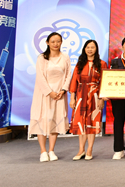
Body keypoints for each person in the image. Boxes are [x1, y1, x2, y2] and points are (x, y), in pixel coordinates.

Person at [29, 32, 72, 162]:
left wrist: (63, 90)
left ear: (61, 42)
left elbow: (68, 75)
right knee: (42, 119)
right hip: (44, 94)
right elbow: (40, 77)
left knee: (55, 119)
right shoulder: (42, 58)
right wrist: (49, 92)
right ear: (47, 43)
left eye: (58, 41)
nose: (55, 44)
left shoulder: (65, 57)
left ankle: (51, 150)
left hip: (59, 94)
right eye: (53, 41)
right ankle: (43, 151)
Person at [69, 40, 108, 160]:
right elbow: (74, 81)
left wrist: (101, 99)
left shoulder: (102, 64)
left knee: (92, 123)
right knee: (81, 123)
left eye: (92, 47)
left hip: (95, 96)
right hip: (81, 95)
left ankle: (90, 149)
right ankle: (81, 150)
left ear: (96, 49)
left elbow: (104, 82)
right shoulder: (79, 64)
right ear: (84, 49)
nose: (90, 49)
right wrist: (72, 97)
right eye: (88, 47)